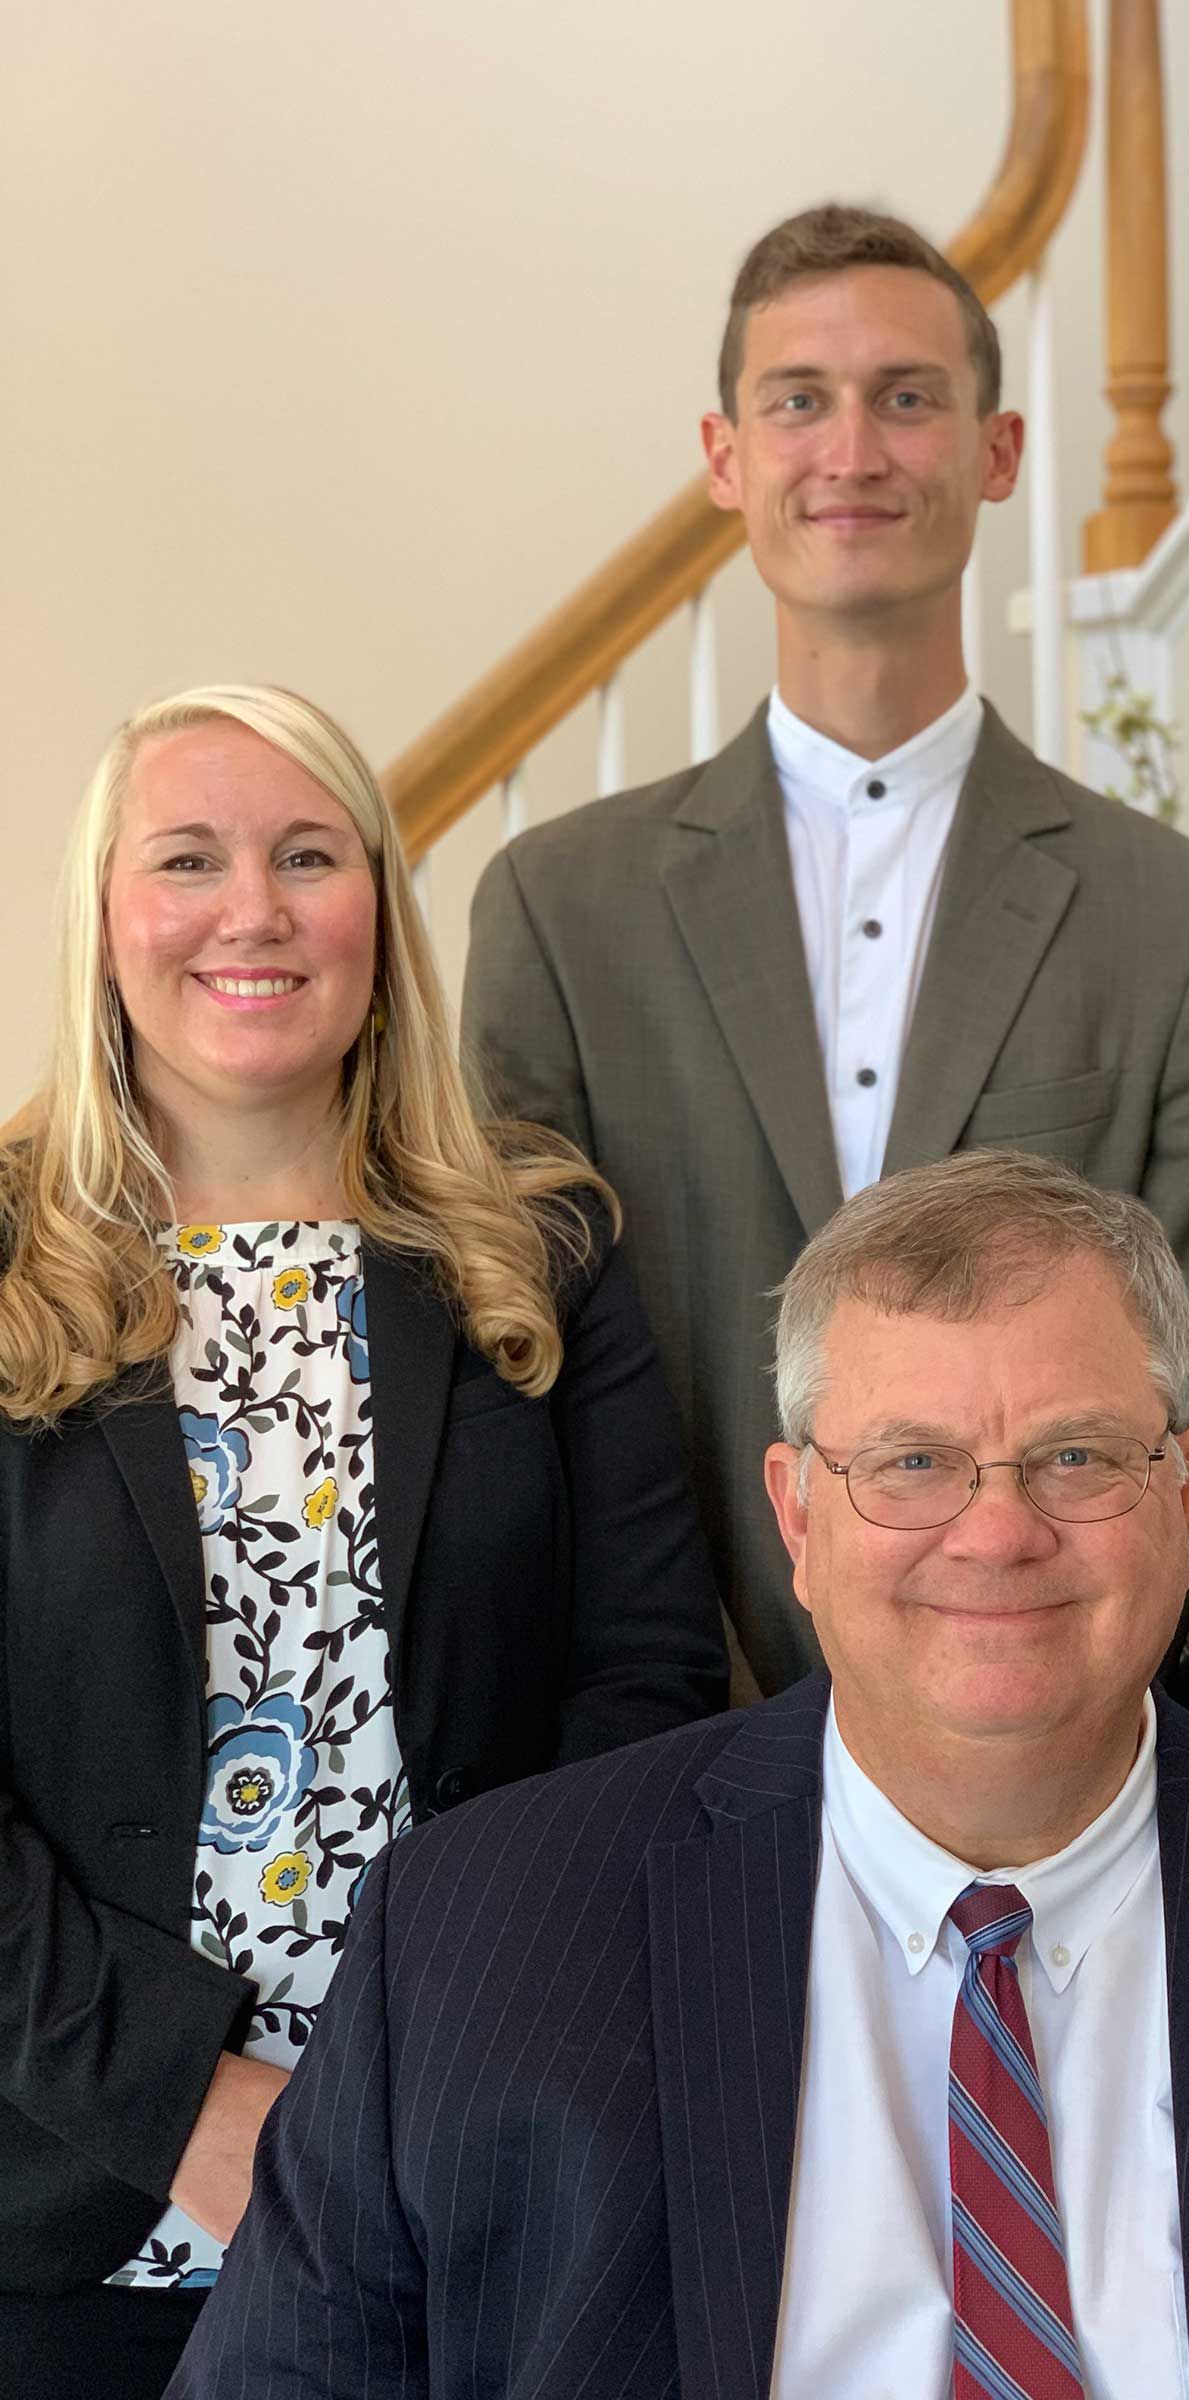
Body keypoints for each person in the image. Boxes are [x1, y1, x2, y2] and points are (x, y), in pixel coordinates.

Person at [175, 1147, 1189, 2399]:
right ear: (799, 1518)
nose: (996, 1533)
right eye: (912, 1463)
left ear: (1184, 1492)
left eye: (1076, 1457)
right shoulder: (476, 1941)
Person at [0, 685, 727, 2397]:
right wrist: (188, 2107)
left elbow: (644, 1687)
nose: (252, 911)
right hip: (72, 2207)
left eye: (309, 857)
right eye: (189, 859)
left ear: (381, 917)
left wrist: (454, 2066)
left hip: (478, 2182)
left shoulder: (541, 1247)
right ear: (104, 916)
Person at [462, 203, 1189, 1700]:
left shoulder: (1181, 922)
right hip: (660, 1726)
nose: (851, 451)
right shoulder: (557, 912)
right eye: (799, 401)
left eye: (907, 397)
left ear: (998, 452)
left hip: (1038, 1711)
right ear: (726, 457)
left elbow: (1178, 1407)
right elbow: (529, 1369)